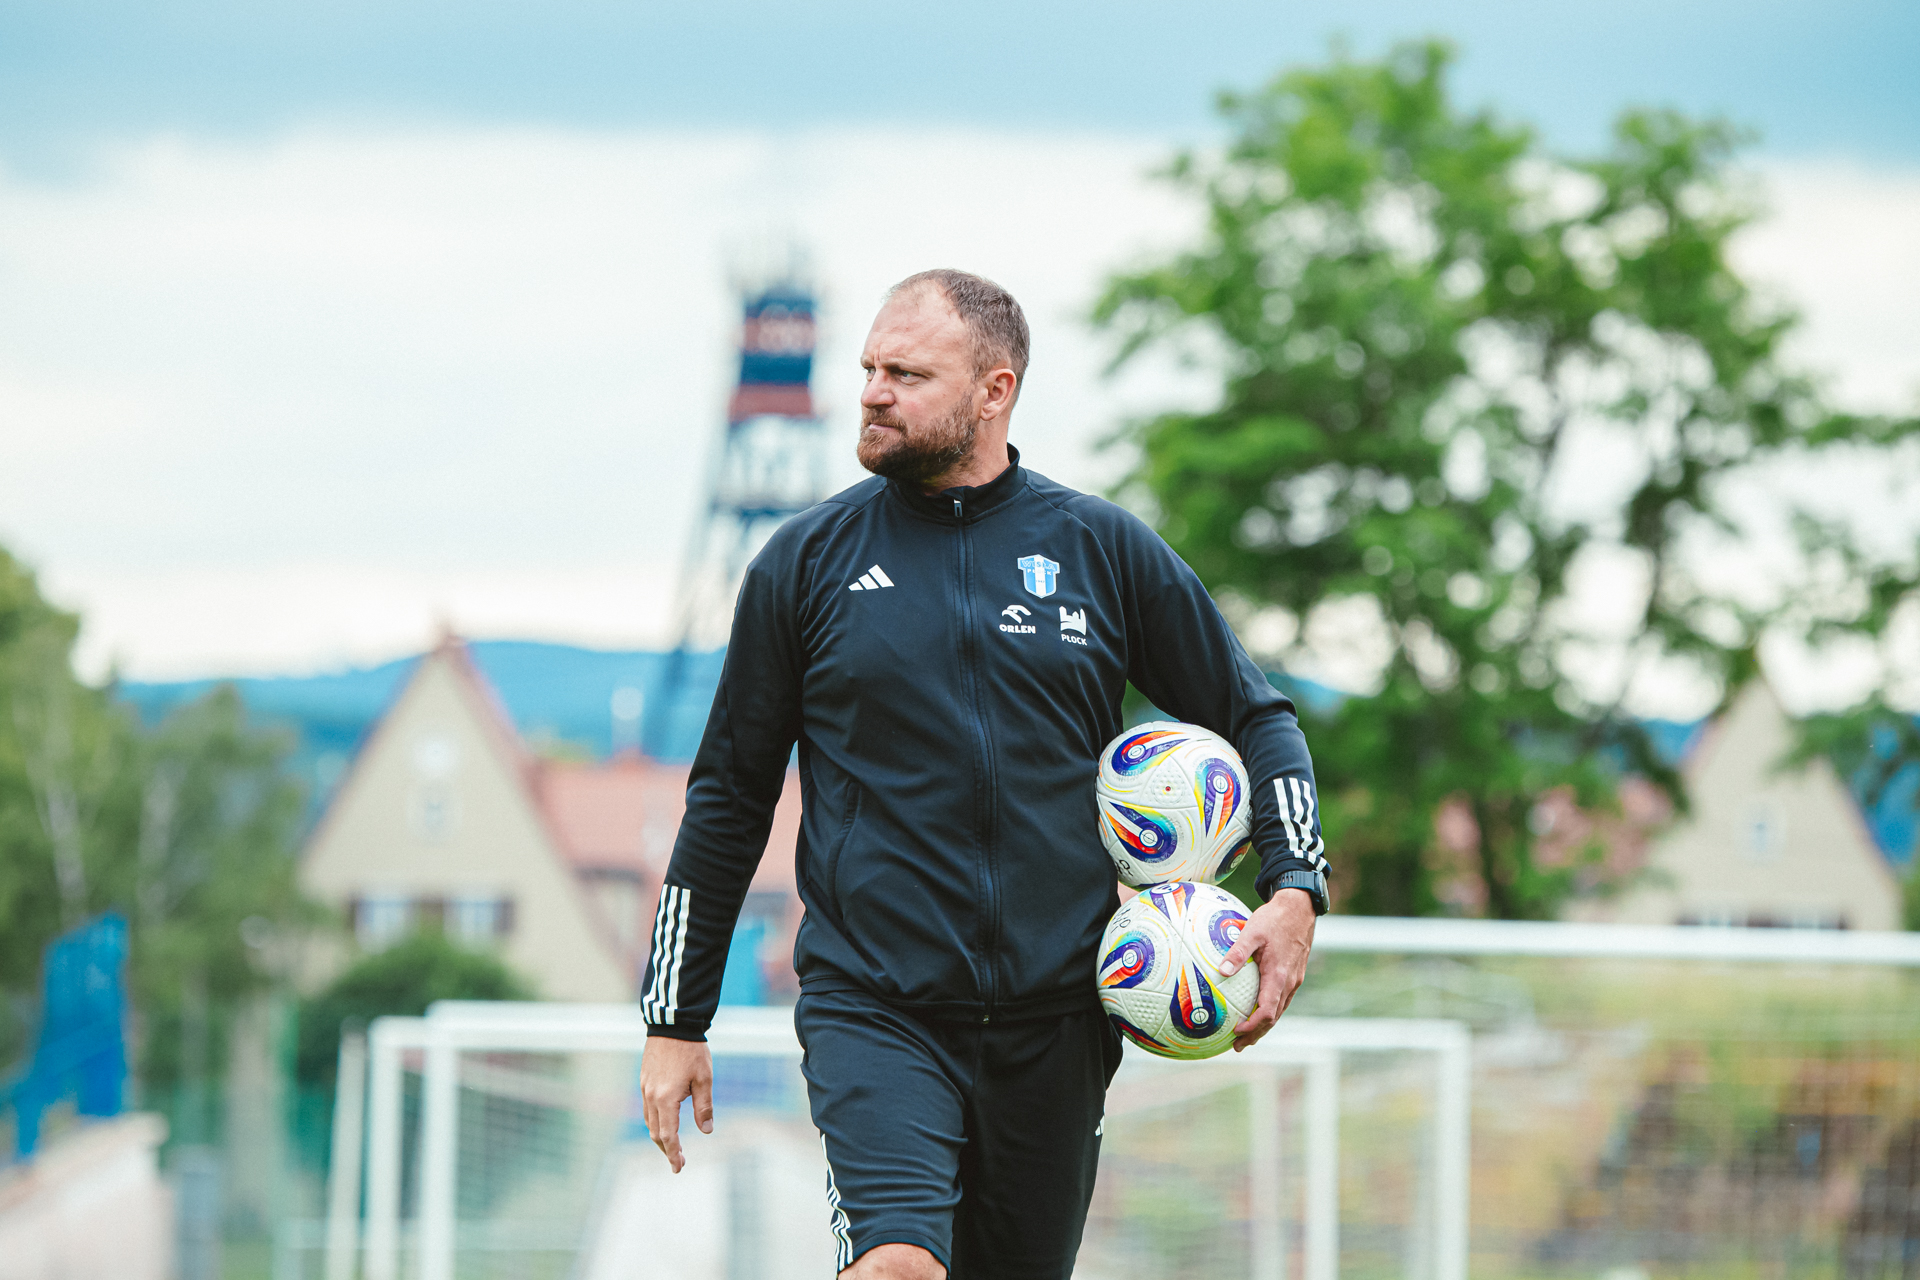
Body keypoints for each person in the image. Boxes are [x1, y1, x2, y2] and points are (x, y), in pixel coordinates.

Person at [639, 269, 1329, 1280]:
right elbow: (729, 795)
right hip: (876, 1006)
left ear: (994, 390)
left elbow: (1257, 716)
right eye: (869, 369)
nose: (873, 393)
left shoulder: (1098, 550)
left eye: (908, 374)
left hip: (1060, 1022)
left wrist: (1296, 885)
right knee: (899, 1264)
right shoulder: (804, 563)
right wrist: (674, 1016)